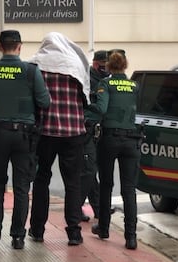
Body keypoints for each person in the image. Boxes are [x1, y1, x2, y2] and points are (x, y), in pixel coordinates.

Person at [0, 30, 51, 250]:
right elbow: (45, 101)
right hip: (24, 136)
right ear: (20, 46)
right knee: (22, 186)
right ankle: (18, 236)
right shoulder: (31, 71)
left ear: (0, 47)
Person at [28, 32, 90, 246]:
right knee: (72, 183)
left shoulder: (36, 65)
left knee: (41, 180)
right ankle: (74, 232)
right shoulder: (75, 65)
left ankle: (37, 229)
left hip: (45, 132)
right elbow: (86, 97)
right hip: (73, 133)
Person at [88, 49, 141, 250]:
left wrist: (88, 107)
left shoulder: (106, 84)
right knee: (129, 189)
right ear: (125, 65)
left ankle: (103, 228)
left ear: (108, 66)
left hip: (109, 139)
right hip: (132, 140)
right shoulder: (135, 86)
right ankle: (131, 237)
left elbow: (101, 109)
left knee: (106, 185)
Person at [80, 50, 109, 222]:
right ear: (96, 64)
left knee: (93, 170)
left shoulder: (107, 80)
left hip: (103, 130)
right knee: (87, 170)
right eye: (103, 65)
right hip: (88, 129)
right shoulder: (87, 79)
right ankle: (77, 206)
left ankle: (98, 208)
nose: (106, 69)